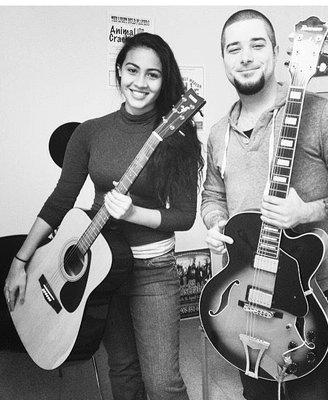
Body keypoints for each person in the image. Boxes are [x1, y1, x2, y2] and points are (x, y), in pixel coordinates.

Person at [4, 32, 203, 400]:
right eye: (132, 70)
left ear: (165, 81)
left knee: (162, 383)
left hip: (153, 272)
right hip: (99, 268)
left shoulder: (176, 134)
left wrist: (134, 212)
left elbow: (186, 216)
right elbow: (60, 199)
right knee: (122, 372)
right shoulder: (90, 132)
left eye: (153, 74)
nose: (140, 83)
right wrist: (21, 260)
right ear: (119, 71)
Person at [201, 9, 328, 400]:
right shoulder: (218, 133)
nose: (245, 56)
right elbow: (213, 194)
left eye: (256, 44)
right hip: (243, 295)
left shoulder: (321, 113)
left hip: (303, 293)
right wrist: (215, 222)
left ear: (277, 51)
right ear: (224, 59)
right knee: (256, 390)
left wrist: (309, 211)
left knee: (310, 393)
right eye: (233, 48)